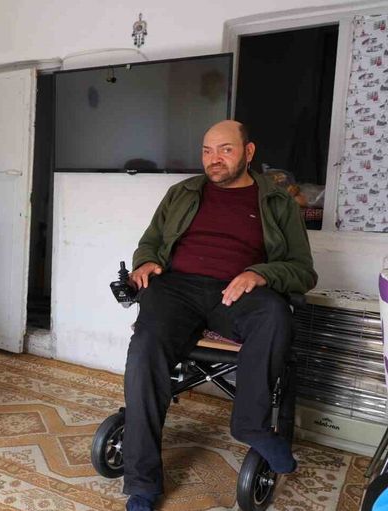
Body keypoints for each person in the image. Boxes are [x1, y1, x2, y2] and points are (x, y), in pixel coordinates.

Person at [122, 121, 317, 511]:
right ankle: (142, 482)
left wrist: (260, 273)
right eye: (207, 151)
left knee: (275, 313)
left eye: (225, 150)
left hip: (237, 292)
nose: (214, 159)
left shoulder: (277, 201)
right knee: (145, 350)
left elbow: (303, 271)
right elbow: (151, 242)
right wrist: (145, 262)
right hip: (176, 290)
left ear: (248, 152)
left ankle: (250, 424)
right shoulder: (182, 193)